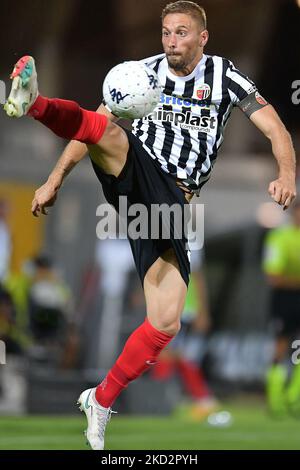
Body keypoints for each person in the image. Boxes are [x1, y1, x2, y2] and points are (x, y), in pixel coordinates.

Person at [4, 1, 296, 450]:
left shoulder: (225, 76)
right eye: (165, 32)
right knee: (111, 130)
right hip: (142, 175)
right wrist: (53, 179)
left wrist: (287, 174)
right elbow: (95, 127)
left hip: (168, 210)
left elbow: (276, 129)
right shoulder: (139, 74)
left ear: (202, 38)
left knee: (165, 324)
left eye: (181, 33)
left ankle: (99, 400)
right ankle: (35, 104)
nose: (171, 42)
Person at [151, 249, 219, 421]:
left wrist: (203, 311)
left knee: (168, 355)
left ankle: (165, 401)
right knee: (175, 356)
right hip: (167, 307)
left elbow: (197, 278)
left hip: (183, 309)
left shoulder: (189, 245)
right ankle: (201, 400)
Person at [263, 202, 300, 417]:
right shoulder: (279, 238)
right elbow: (273, 277)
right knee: (280, 345)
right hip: (284, 299)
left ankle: (294, 398)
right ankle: (275, 399)